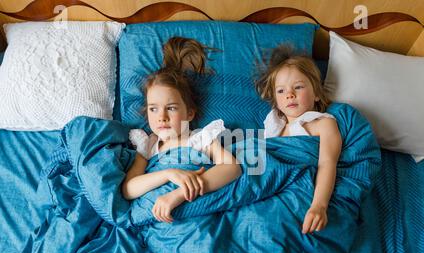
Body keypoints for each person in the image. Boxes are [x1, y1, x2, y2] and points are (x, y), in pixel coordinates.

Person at [122, 37, 241, 223]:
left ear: (190, 114)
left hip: (194, 213)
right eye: (154, 108)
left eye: (171, 108)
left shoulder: (199, 138)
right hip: (157, 219)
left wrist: (177, 195)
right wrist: (168, 173)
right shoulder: (149, 146)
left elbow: (231, 168)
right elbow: (128, 189)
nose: (162, 117)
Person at [255, 45, 342, 234]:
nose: (289, 94)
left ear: (317, 93)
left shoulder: (322, 124)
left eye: (298, 87)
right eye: (281, 91)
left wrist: (319, 206)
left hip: (298, 191)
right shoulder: (272, 126)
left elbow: (327, 164)